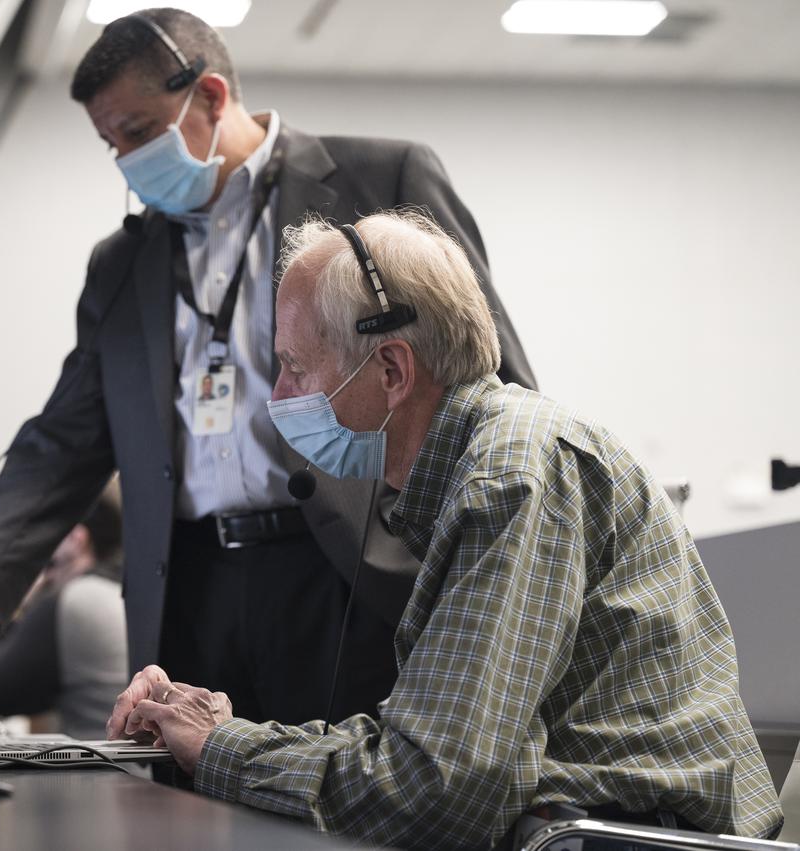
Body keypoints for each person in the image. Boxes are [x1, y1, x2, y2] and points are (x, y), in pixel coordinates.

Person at [0, 8, 536, 728]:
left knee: (341, 816)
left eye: (140, 131)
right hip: (188, 589)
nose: (125, 159)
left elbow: (485, 373)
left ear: (210, 95)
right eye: (109, 143)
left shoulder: (381, 179)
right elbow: (59, 443)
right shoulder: (123, 264)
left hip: (345, 571)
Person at [107, 210, 782, 848]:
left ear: (392, 369)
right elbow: (427, 750)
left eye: (295, 368)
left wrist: (223, 749)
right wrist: (222, 729)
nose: (278, 398)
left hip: (622, 839)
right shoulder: (485, 464)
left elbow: (439, 787)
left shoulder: (512, 475)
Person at [0, 489, 127, 740]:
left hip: (104, 773)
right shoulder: (121, 592)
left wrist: (17, 602)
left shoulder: (74, 600)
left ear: (74, 538)